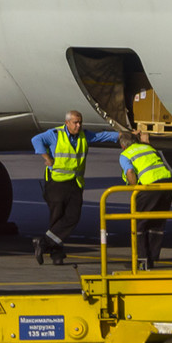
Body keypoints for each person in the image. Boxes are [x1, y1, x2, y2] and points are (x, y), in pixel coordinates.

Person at [30, 110, 119, 265]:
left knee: (72, 217)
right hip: (56, 182)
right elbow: (36, 140)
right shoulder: (55, 135)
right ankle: (56, 254)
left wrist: (125, 135)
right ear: (67, 123)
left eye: (80, 122)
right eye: (75, 123)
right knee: (57, 218)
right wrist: (47, 158)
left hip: (75, 182)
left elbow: (103, 136)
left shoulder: (84, 135)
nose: (78, 125)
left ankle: (43, 242)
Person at [119, 127, 172, 270]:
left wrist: (135, 189)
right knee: (157, 224)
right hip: (168, 184)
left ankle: (142, 261)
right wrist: (144, 138)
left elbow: (130, 171)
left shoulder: (125, 154)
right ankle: (151, 260)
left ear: (122, 145)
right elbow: (149, 150)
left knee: (139, 224)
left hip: (150, 187)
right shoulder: (148, 148)